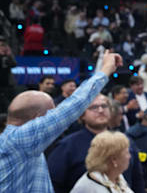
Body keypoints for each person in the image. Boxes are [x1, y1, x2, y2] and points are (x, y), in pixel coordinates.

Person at [0, 50, 121, 192]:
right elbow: (75, 104)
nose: (56, 121)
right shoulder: (20, 140)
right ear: (37, 119)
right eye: (51, 114)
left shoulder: (17, 142)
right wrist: (106, 69)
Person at [48, 91, 145, 193]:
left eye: (104, 106)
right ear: (82, 115)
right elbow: (54, 184)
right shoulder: (67, 146)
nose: (100, 110)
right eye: (93, 107)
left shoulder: (125, 140)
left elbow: (137, 180)